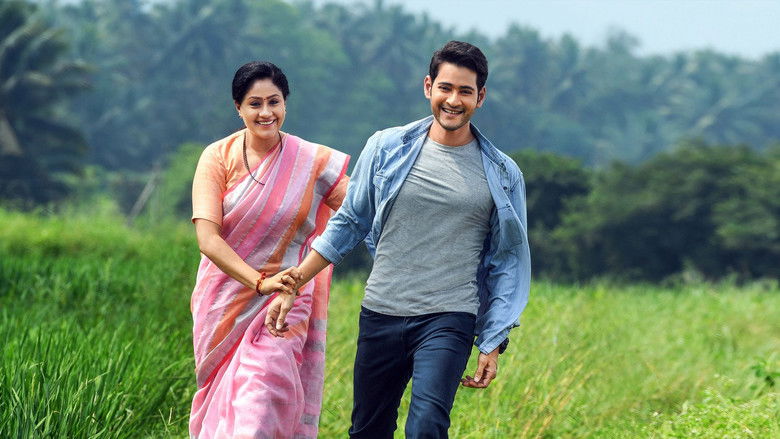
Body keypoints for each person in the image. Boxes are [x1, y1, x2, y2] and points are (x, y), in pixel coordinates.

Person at [266, 41, 531, 438]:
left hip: (449, 316)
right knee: (368, 430)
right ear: (428, 87)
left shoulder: (503, 173)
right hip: (382, 310)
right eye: (445, 88)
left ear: (481, 97)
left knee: (426, 427)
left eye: (465, 91)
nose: (453, 100)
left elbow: (507, 260)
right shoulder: (386, 147)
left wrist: (493, 339)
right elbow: (350, 221)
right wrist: (294, 282)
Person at [188, 61, 349, 439]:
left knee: (262, 402)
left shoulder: (310, 161)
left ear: (285, 104)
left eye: (274, 102)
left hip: (288, 298)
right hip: (225, 299)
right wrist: (260, 283)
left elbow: (360, 211)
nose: (266, 113)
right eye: (254, 104)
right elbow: (208, 239)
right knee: (230, 407)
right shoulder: (217, 156)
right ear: (238, 107)